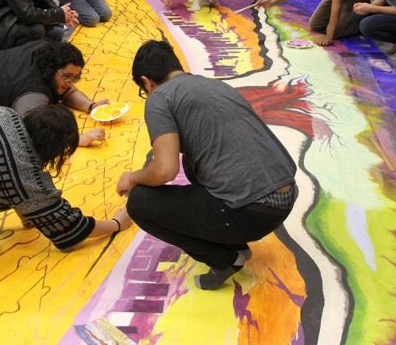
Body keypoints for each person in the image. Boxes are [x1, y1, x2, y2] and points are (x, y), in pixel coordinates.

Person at [116, 40, 297, 290]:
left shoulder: (159, 98)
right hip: (284, 198)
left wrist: (132, 177)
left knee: (139, 203)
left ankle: (225, 259)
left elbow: (165, 170)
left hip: (252, 211)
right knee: (194, 165)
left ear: (147, 82)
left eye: (144, 88)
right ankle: (233, 243)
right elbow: (165, 152)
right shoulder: (213, 85)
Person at [0, 105, 132, 270]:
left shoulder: (5, 114)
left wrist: (31, 214)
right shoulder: (26, 174)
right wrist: (116, 223)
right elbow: (70, 231)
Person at [0, 40, 105, 147]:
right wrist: (77, 139)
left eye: (75, 78)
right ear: (51, 69)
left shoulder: (44, 50)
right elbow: (31, 130)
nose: (70, 83)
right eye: (67, 77)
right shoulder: (33, 93)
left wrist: (92, 106)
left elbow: (66, 91)